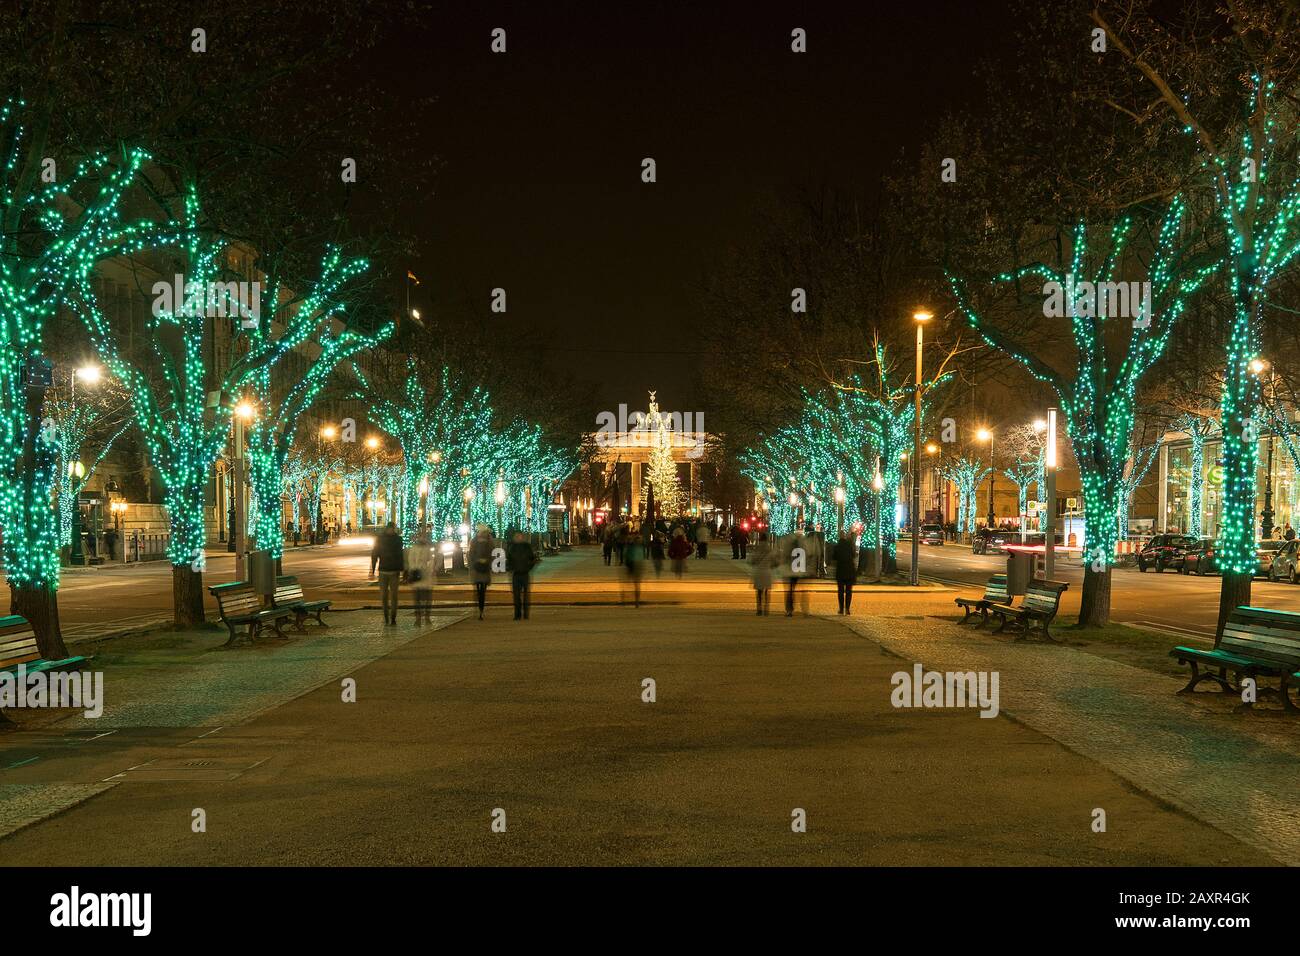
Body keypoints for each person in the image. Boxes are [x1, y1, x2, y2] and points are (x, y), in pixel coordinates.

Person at [369, 522, 405, 625]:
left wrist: (402, 569)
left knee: (391, 596)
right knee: (385, 596)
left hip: (392, 571)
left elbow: (400, 555)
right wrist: (372, 570)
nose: (391, 530)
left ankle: (392, 618)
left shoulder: (394, 539)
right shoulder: (391, 539)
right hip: (385, 571)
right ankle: (387, 618)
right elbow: (375, 554)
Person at [406, 531, 437, 625]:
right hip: (418, 575)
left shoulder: (425, 548)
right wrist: (415, 570)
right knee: (419, 598)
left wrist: (428, 569)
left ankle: (425, 616)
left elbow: (431, 561)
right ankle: (420, 617)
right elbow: (411, 560)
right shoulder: (415, 548)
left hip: (424, 576)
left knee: (424, 597)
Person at [506, 531, 537, 620]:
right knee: (516, 596)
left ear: (522, 537)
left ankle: (525, 614)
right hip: (516, 574)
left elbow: (533, 559)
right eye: (516, 536)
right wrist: (511, 568)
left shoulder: (527, 547)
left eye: (519, 536)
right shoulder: (512, 547)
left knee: (525, 595)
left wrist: (528, 567)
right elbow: (509, 560)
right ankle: (517, 614)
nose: (518, 538)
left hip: (524, 573)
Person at [469, 527, 494, 620]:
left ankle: (480, 610)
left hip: (479, 568)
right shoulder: (488, 541)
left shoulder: (475, 541)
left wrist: (474, 564)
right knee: (481, 591)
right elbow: (491, 554)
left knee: (479, 591)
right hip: (482, 568)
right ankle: (480, 610)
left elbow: (471, 554)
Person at [832, 531, 858, 615]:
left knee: (840, 591)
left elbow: (834, 557)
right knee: (848, 591)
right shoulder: (850, 546)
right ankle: (847, 609)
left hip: (840, 571)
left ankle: (841, 609)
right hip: (849, 571)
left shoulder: (837, 546)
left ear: (839, 537)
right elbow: (854, 555)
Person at [783, 530, 807, 617]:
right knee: (801, 590)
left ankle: (789, 610)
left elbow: (785, 556)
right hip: (799, 570)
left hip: (791, 571)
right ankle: (804, 609)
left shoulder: (790, 545)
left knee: (790, 591)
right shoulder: (802, 545)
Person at [750, 531, 773, 615]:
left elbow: (752, 561)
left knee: (759, 592)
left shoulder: (757, 548)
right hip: (767, 571)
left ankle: (759, 609)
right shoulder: (770, 549)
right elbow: (774, 561)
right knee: (767, 592)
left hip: (759, 571)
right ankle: (766, 609)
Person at [624, 534, 646, 607]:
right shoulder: (638, 548)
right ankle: (636, 601)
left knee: (636, 584)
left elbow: (627, 556)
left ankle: (636, 601)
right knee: (636, 584)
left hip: (636, 566)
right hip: (635, 565)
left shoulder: (635, 548)